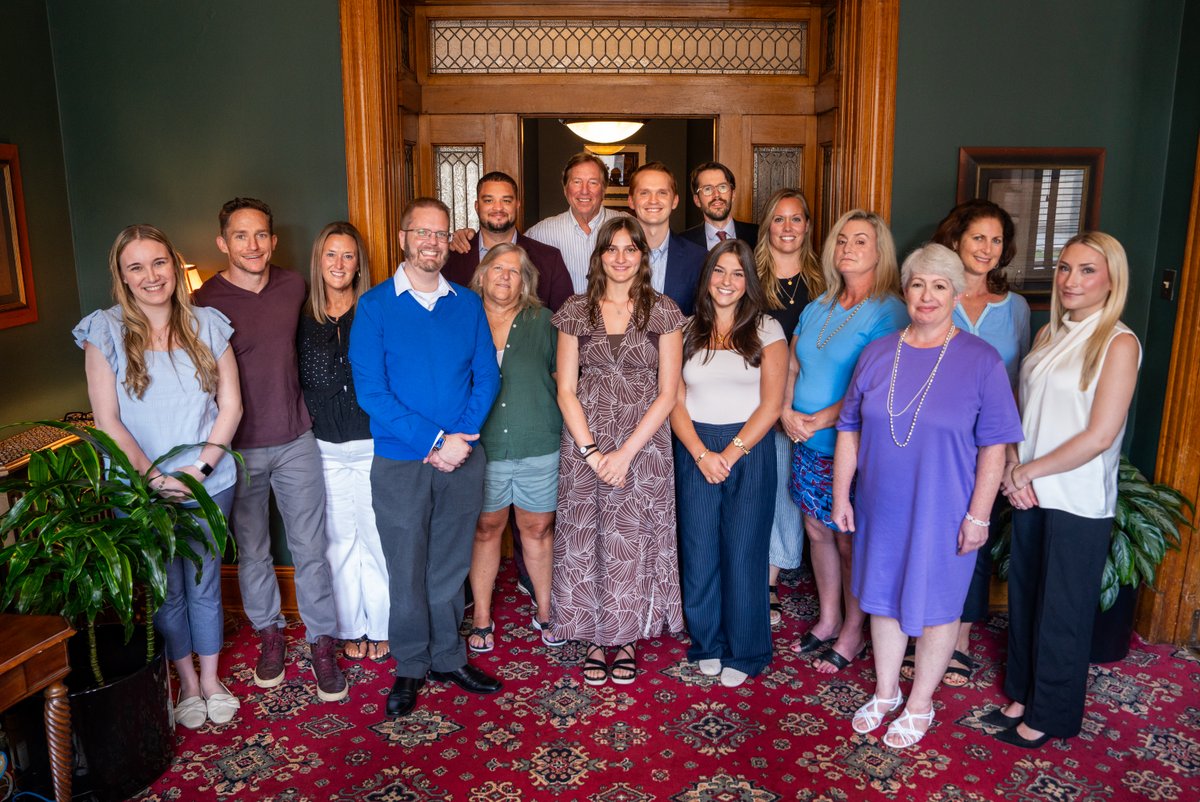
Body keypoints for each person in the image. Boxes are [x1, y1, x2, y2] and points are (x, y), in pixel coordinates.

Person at [831, 243, 1022, 749]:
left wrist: (979, 516)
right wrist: (841, 494)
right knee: (883, 599)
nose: (928, 295)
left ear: (957, 293)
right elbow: (848, 427)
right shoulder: (877, 354)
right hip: (881, 504)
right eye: (918, 284)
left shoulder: (981, 361)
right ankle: (888, 690)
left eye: (940, 286)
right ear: (905, 290)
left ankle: (921, 703)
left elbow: (995, 446)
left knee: (937, 606)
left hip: (945, 508)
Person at [74, 225, 242, 729]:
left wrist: (199, 469)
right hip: (140, 489)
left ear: (175, 265)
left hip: (209, 482)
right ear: (122, 278)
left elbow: (230, 406)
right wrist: (152, 478)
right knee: (166, 589)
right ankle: (186, 684)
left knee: (204, 583)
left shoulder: (209, 325)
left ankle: (211, 680)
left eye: (159, 263)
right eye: (137, 267)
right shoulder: (102, 332)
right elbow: (107, 420)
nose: (151, 276)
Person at [349, 197, 502, 719]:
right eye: (423, 233)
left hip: (463, 457)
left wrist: (460, 438)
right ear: (403, 238)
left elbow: (488, 377)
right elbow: (372, 392)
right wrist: (434, 442)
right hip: (401, 462)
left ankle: (448, 657)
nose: (433, 242)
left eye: (440, 234)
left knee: (449, 566)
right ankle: (411, 665)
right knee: (407, 568)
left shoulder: (467, 303)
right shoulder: (374, 308)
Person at [987, 232, 1141, 748]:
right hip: (1028, 490)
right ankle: (1021, 694)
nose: (1071, 280)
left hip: (1075, 500)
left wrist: (1027, 473)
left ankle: (1050, 714)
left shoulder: (1118, 342)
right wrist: (1013, 465)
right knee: (1026, 600)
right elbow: (1018, 407)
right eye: (1065, 268)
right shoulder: (1049, 333)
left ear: (1111, 279)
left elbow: (1099, 435)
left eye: (1087, 270)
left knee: (1062, 611)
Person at [194, 198, 346, 702]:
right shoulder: (203, 302)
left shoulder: (293, 286)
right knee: (254, 549)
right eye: (241, 236)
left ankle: (322, 641)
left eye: (261, 235)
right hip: (237, 450)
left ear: (274, 241)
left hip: (297, 437)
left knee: (311, 549)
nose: (252, 245)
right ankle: (269, 633)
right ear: (223, 243)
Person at [901, 199, 1030, 686]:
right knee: (929, 532)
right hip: (935, 439)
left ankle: (959, 639)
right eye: (979, 238)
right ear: (956, 240)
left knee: (972, 535)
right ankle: (920, 630)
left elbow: (1018, 380)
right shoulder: (929, 296)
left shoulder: (1014, 308)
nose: (988, 249)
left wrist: (1011, 449)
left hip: (989, 442)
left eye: (997, 241)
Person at [552, 216, 685, 686]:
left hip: (643, 444)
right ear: (600, 255)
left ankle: (626, 635)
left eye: (631, 249)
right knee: (587, 540)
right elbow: (566, 389)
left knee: (631, 541)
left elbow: (668, 392)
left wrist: (625, 453)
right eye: (613, 249)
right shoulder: (575, 309)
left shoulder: (664, 310)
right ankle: (592, 635)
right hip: (584, 440)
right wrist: (591, 453)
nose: (622, 257)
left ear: (642, 257)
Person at [780, 209, 908, 672]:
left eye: (859, 241)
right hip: (807, 441)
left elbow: (873, 385)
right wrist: (786, 410)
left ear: (879, 252)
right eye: (841, 241)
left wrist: (815, 420)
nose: (848, 249)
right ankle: (829, 616)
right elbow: (793, 366)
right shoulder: (820, 305)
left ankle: (855, 629)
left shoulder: (890, 309)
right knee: (817, 530)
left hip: (855, 449)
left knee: (850, 540)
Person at [670, 239, 786, 687]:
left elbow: (772, 404)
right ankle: (708, 643)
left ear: (748, 282)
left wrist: (730, 454)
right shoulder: (685, 330)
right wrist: (701, 453)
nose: (727, 281)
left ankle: (748, 650)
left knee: (743, 552)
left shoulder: (768, 329)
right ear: (707, 277)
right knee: (699, 551)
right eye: (720, 271)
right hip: (695, 446)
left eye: (737, 274)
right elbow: (673, 400)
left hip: (749, 449)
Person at [298, 222, 390, 663]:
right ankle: (351, 627)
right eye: (330, 255)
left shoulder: (376, 310)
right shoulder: (300, 316)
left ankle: (383, 625)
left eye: (348, 256)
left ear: (359, 264)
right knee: (337, 540)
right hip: (324, 447)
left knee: (376, 535)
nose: (339, 264)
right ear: (319, 261)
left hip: (374, 443)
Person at [466, 243, 564, 652]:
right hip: (481, 447)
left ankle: (545, 609)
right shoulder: (462, 318)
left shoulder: (544, 321)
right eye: (497, 268)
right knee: (487, 528)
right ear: (482, 274)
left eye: (514, 271)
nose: (505, 276)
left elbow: (564, 380)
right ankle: (483, 616)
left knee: (537, 529)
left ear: (525, 280)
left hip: (536, 441)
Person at [756, 189, 825, 627]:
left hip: (802, 407)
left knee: (785, 492)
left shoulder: (824, 282)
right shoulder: (750, 272)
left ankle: (770, 580)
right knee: (751, 488)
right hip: (752, 400)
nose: (787, 227)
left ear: (807, 227)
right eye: (779, 219)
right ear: (768, 226)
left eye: (796, 219)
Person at [443, 171, 574, 312]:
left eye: (506, 200)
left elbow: (566, 322)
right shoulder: (452, 257)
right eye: (488, 200)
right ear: (477, 206)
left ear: (517, 205)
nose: (498, 208)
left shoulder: (549, 260)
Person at [528, 152, 628, 292]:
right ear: (565, 189)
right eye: (577, 182)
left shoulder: (628, 226)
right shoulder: (540, 233)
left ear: (604, 189)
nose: (584, 191)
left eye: (593, 182)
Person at [626, 161, 708, 315]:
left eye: (662, 192)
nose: (653, 200)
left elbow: (703, 319)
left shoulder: (699, 258)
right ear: (631, 201)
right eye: (644, 192)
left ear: (675, 201)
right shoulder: (613, 257)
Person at [681, 162, 759, 250]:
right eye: (708, 189)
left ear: (733, 194)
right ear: (697, 200)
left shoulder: (758, 235)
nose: (716, 195)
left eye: (722, 187)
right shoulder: (682, 242)